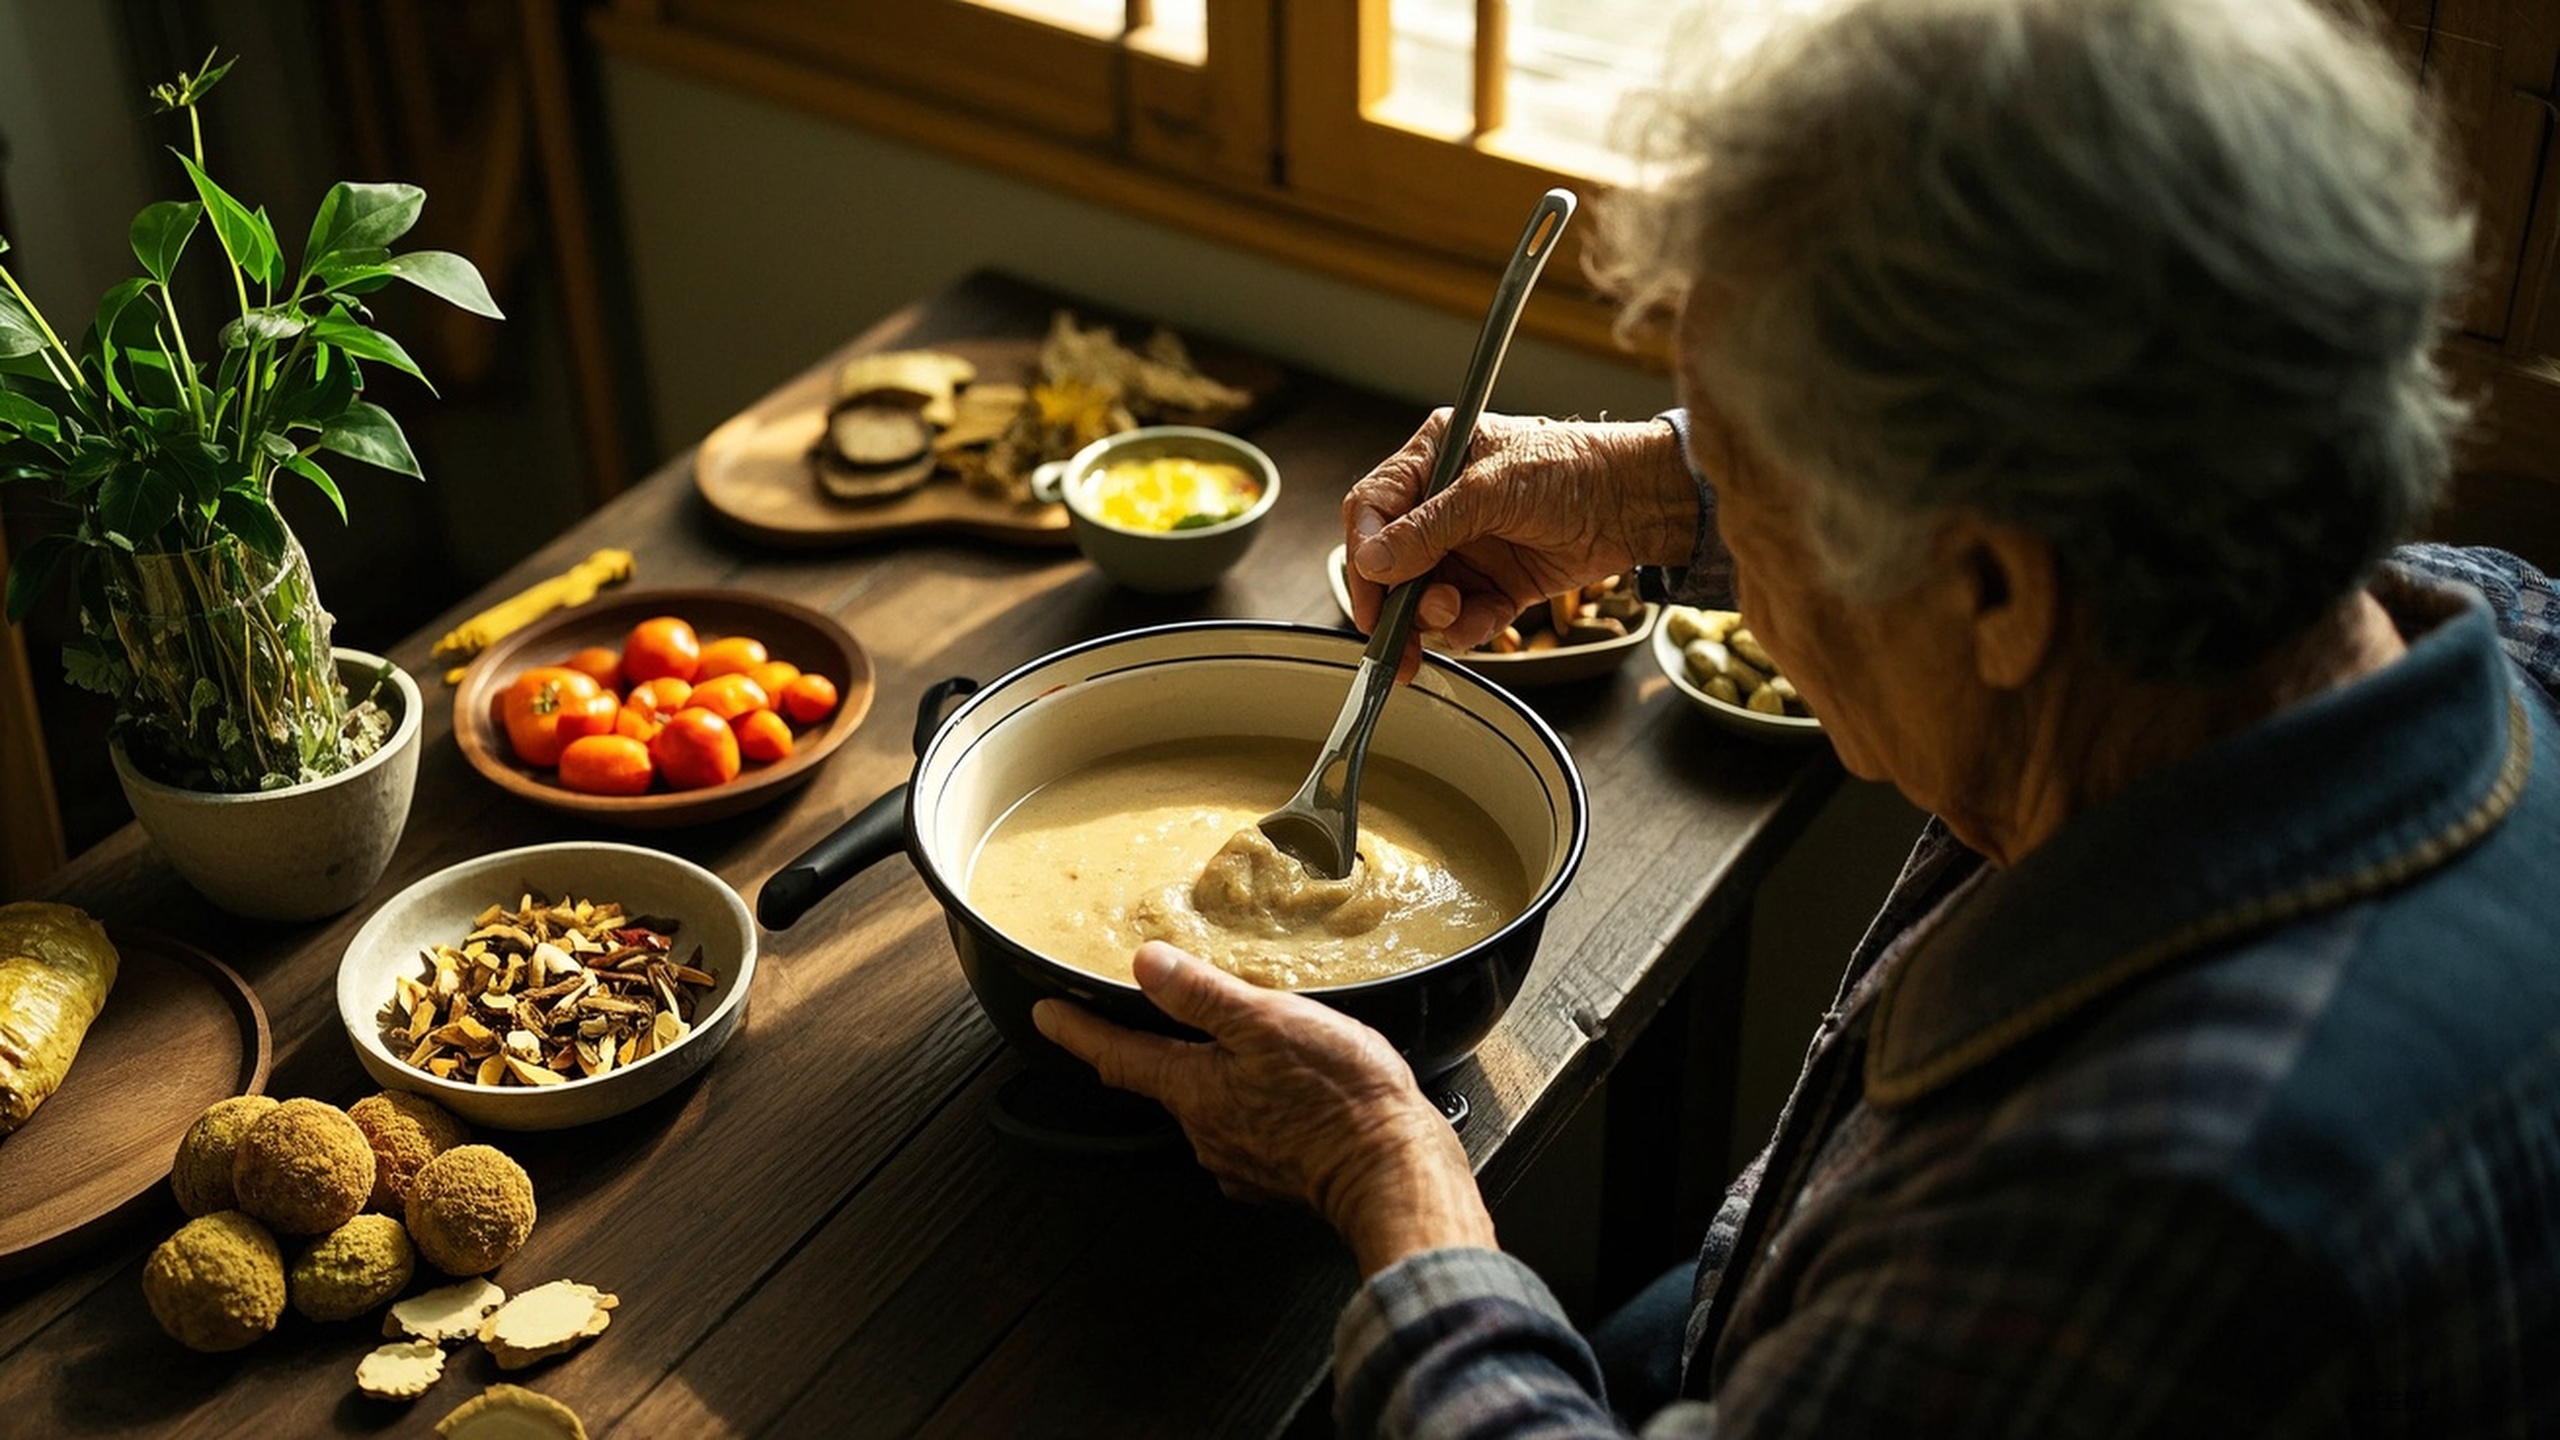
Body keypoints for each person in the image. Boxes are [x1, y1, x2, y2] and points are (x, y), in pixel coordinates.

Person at [1032, 0, 2560, 1432]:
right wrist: (1655, 481)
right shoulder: (2477, 617)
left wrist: (1388, 1176)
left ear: (1995, 591)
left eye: (1752, 505)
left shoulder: (2119, 1226)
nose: (1735, 579)